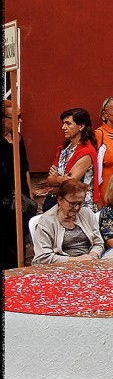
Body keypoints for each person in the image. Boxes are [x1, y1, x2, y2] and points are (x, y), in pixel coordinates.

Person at [31, 178, 104, 264]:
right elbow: (43, 257)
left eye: (80, 203)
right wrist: (76, 260)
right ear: (60, 200)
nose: (77, 208)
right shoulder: (47, 220)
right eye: (72, 203)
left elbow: (98, 243)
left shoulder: (87, 214)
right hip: (59, 267)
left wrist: (93, 254)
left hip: (88, 263)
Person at [42, 108, 101, 212]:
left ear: (81, 126)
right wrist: (59, 178)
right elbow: (50, 179)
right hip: (64, 203)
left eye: (68, 124)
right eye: (63, 123)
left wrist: (57, 178)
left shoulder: (86, 151)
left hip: (80, 205)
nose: (63, 127)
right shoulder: (64, 149)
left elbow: (71, 182)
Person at [2, 101, 33, 269]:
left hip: (20, 196)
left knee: (19, 238)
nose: (19, 120)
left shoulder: (18, 137)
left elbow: (25, 166)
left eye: (20, 116)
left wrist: (29, 192)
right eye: (15, 117)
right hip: (4, 197)